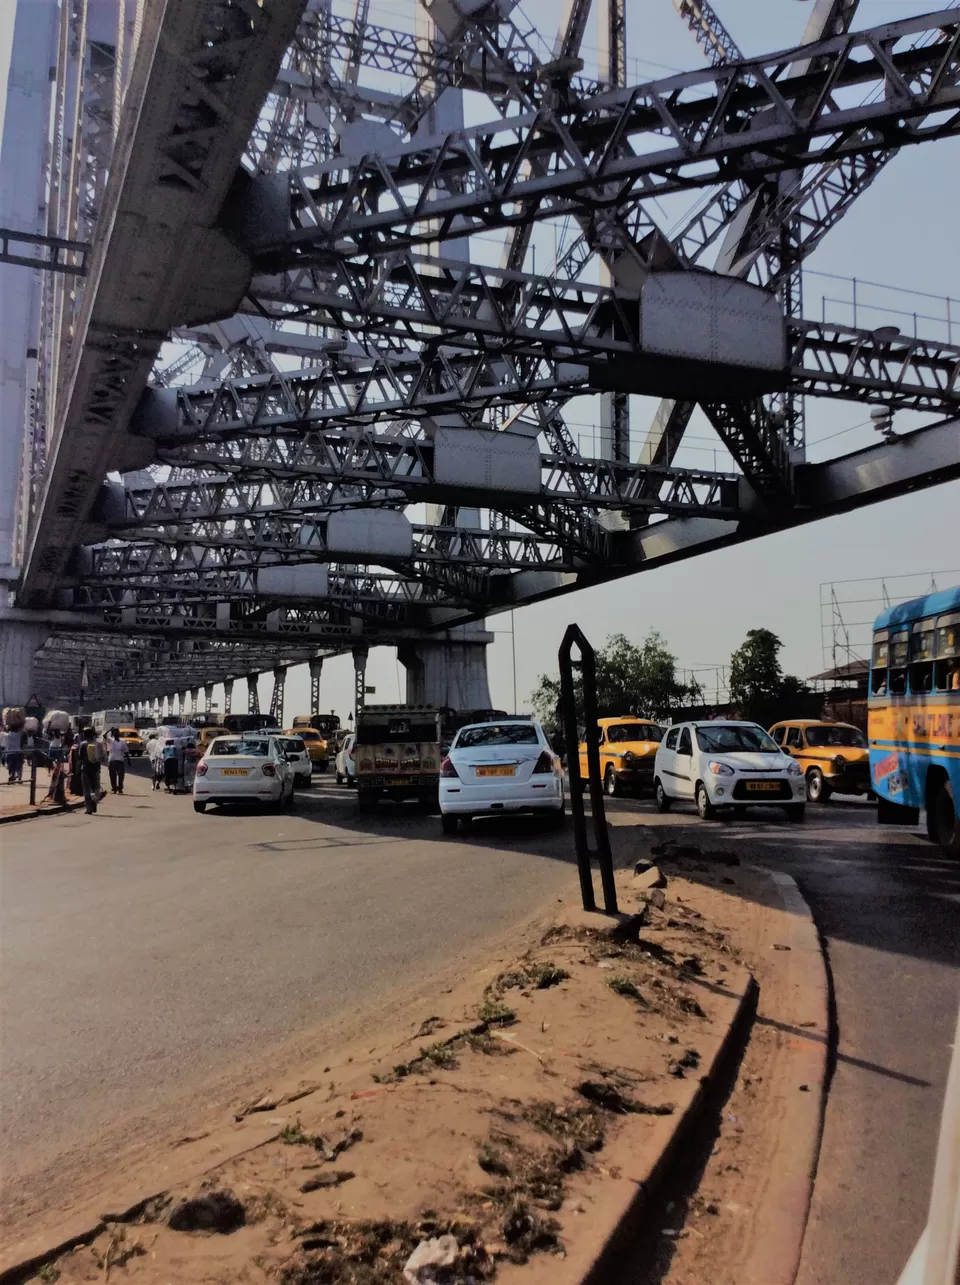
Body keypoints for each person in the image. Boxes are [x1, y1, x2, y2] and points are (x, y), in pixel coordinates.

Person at [78, 727, 101, 814]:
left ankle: (88, 808)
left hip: (85, 768)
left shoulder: (83, 744)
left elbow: (79, 758)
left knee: (86, 789)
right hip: (96, 768)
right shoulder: (98, 743)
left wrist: (77, 770)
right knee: (96, 787)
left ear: (85, 734)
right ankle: (94, 800)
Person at [106, 727, 129, 794]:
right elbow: (104, 736)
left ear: (119, 733)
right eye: (114, 732)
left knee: (121, 775)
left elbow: (126, 751)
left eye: (117, 732)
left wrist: (128, 760)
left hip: (120, 760)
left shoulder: (122, 741)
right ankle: (114, 788)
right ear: (113, 734)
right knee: (112, 775)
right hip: (112, 760)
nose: (116, 733)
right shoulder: (110, 740)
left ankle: (120, 788)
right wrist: (109, 730)